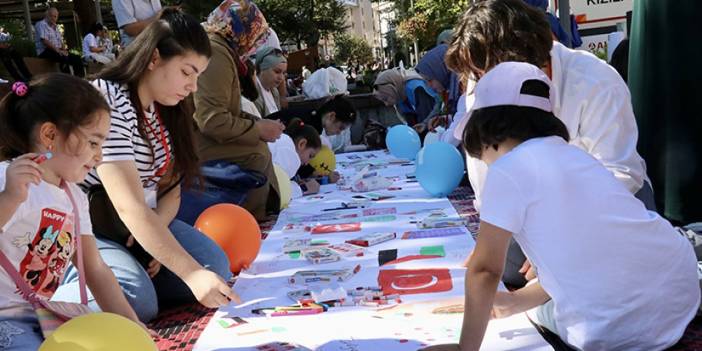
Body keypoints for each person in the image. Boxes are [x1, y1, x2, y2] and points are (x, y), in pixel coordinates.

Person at [422, 61, 700, 351]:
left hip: (612, 329)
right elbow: (591, 256)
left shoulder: (506, 171)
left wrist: (465, 348)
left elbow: (484, 271)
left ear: (483, 130)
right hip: (678, 294)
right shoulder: (576, 157)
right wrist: (517, 301)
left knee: (547, 312)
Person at [446, 0, 655, 287]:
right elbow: (487, 178)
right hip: (534, 211)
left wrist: (562, 236)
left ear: (528, 59)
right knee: (508, 268)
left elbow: (621, 175)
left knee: (618, 266)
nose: (479, 83)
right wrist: (498, 238)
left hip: (602, 209)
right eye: (477, 76)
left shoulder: (596, 81)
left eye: (488, 74)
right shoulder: (483, 85)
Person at [53, 8, 238, 323]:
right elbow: (128, 206)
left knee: (215, 267)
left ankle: (131, 268)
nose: (193, 86)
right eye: (186, 72)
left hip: (140, 223)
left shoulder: (168, 110)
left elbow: (172, 191)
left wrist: (154, 239)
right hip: (92, 227)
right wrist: (189, 273)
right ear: (154, 59)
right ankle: (51, 297)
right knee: (138, 298)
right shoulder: (107, 100)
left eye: (198, 76)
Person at [0, 74, 147, 350]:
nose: (99, 156)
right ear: (50, 135)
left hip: (46, 313)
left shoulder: (75, 196)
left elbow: (94, 268)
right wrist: (9, 199)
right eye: (93, 143)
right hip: (5, 319)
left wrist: (131, 323)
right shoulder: (7, 178)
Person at [193, 0, 285, 221]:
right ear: (244, 29)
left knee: (257, 147)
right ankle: (252, 222)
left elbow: (223, 111)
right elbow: (212, 121)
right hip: (193, 143)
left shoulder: (221, 49)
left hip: (197, 136)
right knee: (255, 152)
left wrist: (259, 125)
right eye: (255, 35)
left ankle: (258, 218)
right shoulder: (216, 52)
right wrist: (257, 128)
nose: (254, 44)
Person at [268, 118, 322, 198]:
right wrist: (303, 188)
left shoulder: (283, 141)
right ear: (302, 144)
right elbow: (277, 190)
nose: (307, 163)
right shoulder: (289, 153)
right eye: (310, 156)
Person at [373, 67, 442, 126]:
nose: (386, 104)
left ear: (392, 89)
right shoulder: (399, 93)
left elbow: (426, 118)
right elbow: (411, 122)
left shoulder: (415, 88)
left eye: (386, 99)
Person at [34, 8, 84, 77]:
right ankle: (67, 80)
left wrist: (64, 50)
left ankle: (80, 79)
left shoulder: (55, 26)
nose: (53, 18)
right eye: (51, 16)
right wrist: (58, 51)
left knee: (77, 58)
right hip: (45, 51)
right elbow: (44, 41)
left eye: (55, 16)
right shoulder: (41, 24)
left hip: (56, 51)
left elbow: (61, 41)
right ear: (47, 15)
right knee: (63, 58)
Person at [416, 44, 462, 116]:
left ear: (440, 71)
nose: (430, 86)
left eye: (430, 80)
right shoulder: (451, 89)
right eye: (426, 82)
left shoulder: (463, 90)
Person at [253, 46, 287, 117]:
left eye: (283, 73)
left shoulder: (274, 91)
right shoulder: (253, 94)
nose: (281, 78)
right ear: (262, 69)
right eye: (277, 72)